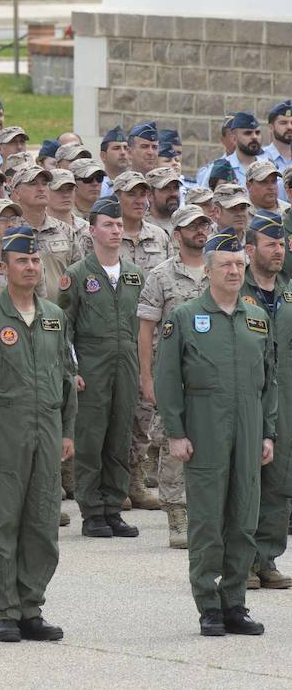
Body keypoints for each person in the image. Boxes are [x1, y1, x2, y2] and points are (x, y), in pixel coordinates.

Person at [0, 225, 76, 643]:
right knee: (4, 526)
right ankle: (5, 612)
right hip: (3, 436)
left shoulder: (54, 317)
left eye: (35, 260)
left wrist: (67, 432)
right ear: (5, 267)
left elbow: (66, 376)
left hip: (46, 433)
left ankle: (31, 608)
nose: (30, 267)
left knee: (43, 524)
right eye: (22, 260)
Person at [156, 227, 275, 637]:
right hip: (204, 430)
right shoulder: (184, 319)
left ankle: (235, 603)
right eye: (225, 264)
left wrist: (268, 433)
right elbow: (168, 379)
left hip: (249, 429)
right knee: (207, 522)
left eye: (239, 264)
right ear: (207, 270)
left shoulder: (256, 319)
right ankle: (208, 605)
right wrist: (175, 431)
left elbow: (269, 382)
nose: (234, 270)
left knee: (244, 519)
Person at [58, 196, 144, 539]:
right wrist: (71, 369)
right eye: (108, 224)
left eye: (119, 224)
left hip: (126, 366)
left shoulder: (135, 275)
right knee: (90, 439)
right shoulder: (77, 275)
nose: (115, 230)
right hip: (90, 368)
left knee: (120, 436)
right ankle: (92, 510)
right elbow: (63, 326)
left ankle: (113, 506)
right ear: (92, 230)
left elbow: (143, 326)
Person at [137, 205, 211, 549]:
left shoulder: (219, 270)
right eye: (192, 227)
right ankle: (176, 513)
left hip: (212, 375)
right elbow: (146, 328)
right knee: (172, 443)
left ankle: (204, 512)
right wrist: (147, 377)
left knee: (209, 442)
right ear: (177, 235)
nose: (200, 231)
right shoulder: (161, 275)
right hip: (173, 375)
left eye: (203, 225)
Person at [240, 212, 292, 590]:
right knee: (243, 480)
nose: (279, 250)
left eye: (281, 243)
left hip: (284, 396)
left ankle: (267, 558)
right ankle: (239, 560)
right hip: (242, 394)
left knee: (278, 480)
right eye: (270, 244)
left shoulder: (289, 290)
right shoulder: (231, 285)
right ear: (249, 249)